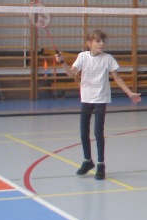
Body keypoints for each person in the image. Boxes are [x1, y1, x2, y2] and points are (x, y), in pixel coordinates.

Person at [55, 29, 141, 180]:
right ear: (89, 43)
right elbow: (71, 73)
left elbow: (117, 78)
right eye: (97, 41)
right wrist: (62, 62)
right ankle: (87, 161)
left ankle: (101, 164)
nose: (101, 44)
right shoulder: (82, 57)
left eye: (103, 41)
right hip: (86, 98)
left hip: (101, 98)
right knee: (83, 132)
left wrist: (129, 92)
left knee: (98, 132)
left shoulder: (108, 58)